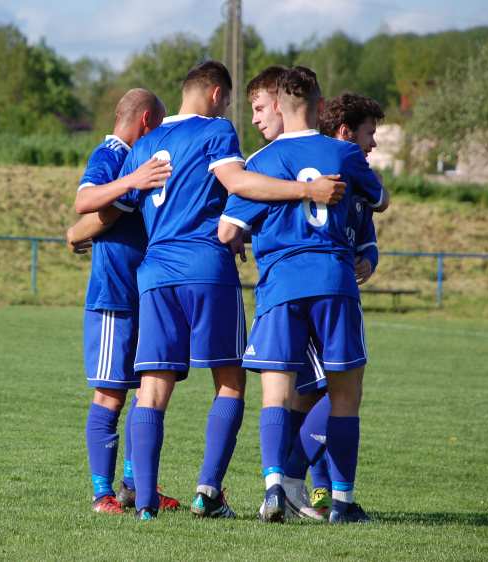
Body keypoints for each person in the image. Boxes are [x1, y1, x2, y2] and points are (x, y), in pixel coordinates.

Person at [104, 61, 346, 521]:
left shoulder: (147, 143)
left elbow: (111, 207)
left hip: (154, 274)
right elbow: (237, 183)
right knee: (231, 381)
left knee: (152, 388)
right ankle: (208, 491)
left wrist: (79, 231)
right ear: (217, 94)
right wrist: (305, 190)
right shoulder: (217, 131)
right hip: (206, 268)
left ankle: (147, 505)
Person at [219, 66, 389, 524]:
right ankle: (342, 502)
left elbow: (228, 229)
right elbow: (380, 199)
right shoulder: (343, 152)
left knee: (276, 394)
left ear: (280, 105)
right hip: (333, 281)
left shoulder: (260, 163)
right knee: (345, 395)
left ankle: (275, 489)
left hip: (279, 285)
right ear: (318, 104)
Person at [64, 88, 181, 515]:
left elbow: (103, 217)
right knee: (110, 394)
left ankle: (134, 487)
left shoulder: (137, 160)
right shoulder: (112, 151)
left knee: (142, 394)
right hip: (114, 295)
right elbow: (85, 201)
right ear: (147, 120)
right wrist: (131, 183)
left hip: (143, 293)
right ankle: (101, 494)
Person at [281, 91, 387, 516]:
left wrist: (369, 258)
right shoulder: (326, 171)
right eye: (369, 134)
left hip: (333, 289)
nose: (373, 144)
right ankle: (290, 481)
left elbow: (367, 237)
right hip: (315, 293)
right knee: (333, 391)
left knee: (317, 396)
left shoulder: (353, 186)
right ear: (346, 132)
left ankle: (321, 497)